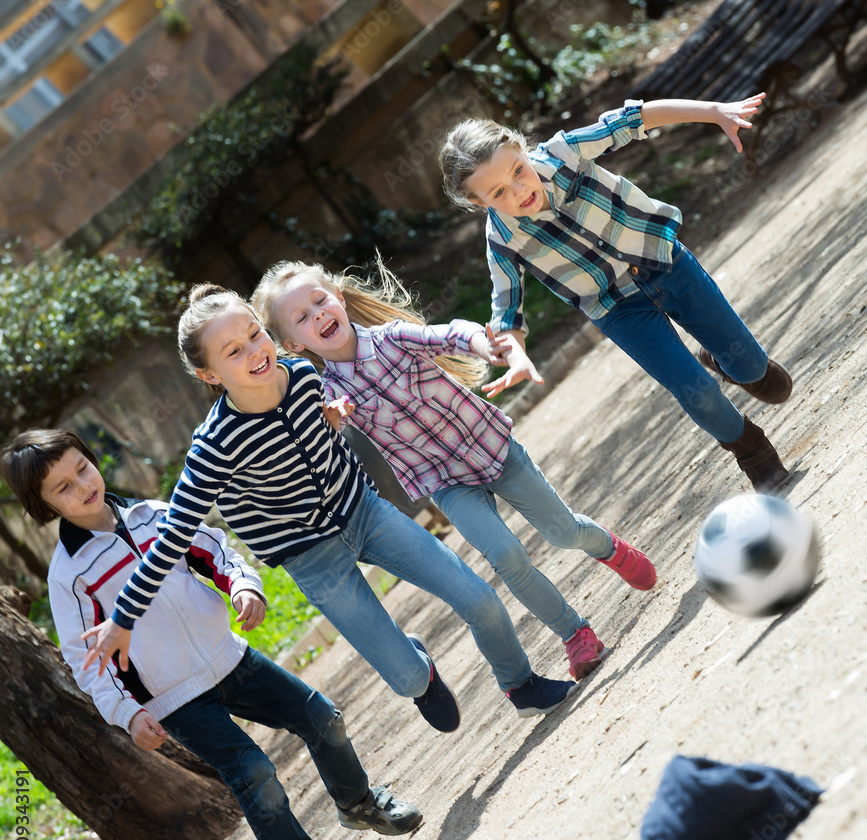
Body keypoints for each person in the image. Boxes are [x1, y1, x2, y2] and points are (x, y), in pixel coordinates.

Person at [77, 285, 581, 725]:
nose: (255, 351)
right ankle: (418, 668)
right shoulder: (214, 446)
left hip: (364, 511)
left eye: (255, 334)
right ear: (209, 375)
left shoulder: (301, 374)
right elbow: (171, 540)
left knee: (481, 601)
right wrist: (123, 620)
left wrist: (332, 420)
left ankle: (521, 684)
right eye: (233, 351)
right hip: (308, 556)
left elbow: (319, 424)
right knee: (406, 680)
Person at [0, 429, 427, 840]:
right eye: (62, 487)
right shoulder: (68, 576)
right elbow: (85, 661)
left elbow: (216, 551)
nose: (81, 485)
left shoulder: (155, 516)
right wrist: (127, 713)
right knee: (254, 774)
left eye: (81, 468)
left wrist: (244, 586)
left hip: (231, 658)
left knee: (322, 718)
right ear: (44, 505)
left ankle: (358, 803)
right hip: (174, 698)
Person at [251, 257, 656, 681]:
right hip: (446, 485)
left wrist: (487, 346)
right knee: (507, 557)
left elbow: (446, 335)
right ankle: (575, 634)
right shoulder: (328, 392)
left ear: (339, 299)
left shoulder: (392, 337)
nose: (318, 315)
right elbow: (324, 440)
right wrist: (332, 422)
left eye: (320, 302)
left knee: (563, 532)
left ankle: (608, 548)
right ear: (293, 344)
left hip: (493, 449)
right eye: (301, 317)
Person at [438, 93, 793, 493]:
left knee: (763, 378)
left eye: (518, 171)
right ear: (477, 202)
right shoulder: (502, 240)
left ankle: (726, 360)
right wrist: (516, 354)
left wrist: (713, 113)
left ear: (521, 147)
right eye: (498, 193)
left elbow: (632, 119)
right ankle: (755, 456)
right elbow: (507, 310)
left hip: (664, 263)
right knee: (698, 393)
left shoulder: (565, 152)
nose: (518, 192)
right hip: (619, 310)